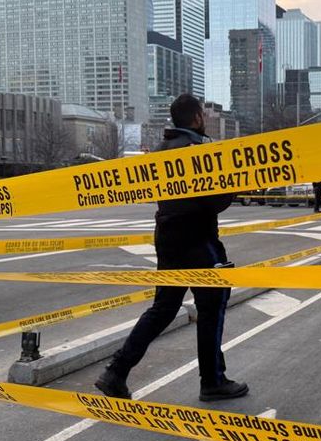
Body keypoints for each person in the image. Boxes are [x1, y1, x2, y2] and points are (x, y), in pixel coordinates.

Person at [95, 94, 248, 402]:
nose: (204, 118)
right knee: (212, 307)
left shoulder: (162, 151)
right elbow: (214, 200)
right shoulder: (199, 151)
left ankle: (116, 372)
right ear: (196, 118)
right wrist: (234, 187)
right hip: (199, 238)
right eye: (202, 114)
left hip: (167, 235)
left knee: (163, 309)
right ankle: (213, 381)